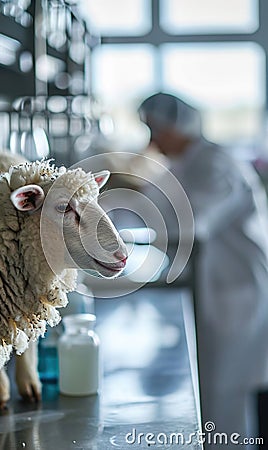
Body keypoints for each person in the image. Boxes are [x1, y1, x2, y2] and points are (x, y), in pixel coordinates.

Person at [138, 92, 268, 448]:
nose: (151, 141)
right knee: (211, 391)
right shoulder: (185, 162)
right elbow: (156, 204)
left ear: (177, 126)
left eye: (155, 130)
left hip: (236, 290)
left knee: (226, 393)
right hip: (216, 286)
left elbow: (192, 223)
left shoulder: (217, 163)